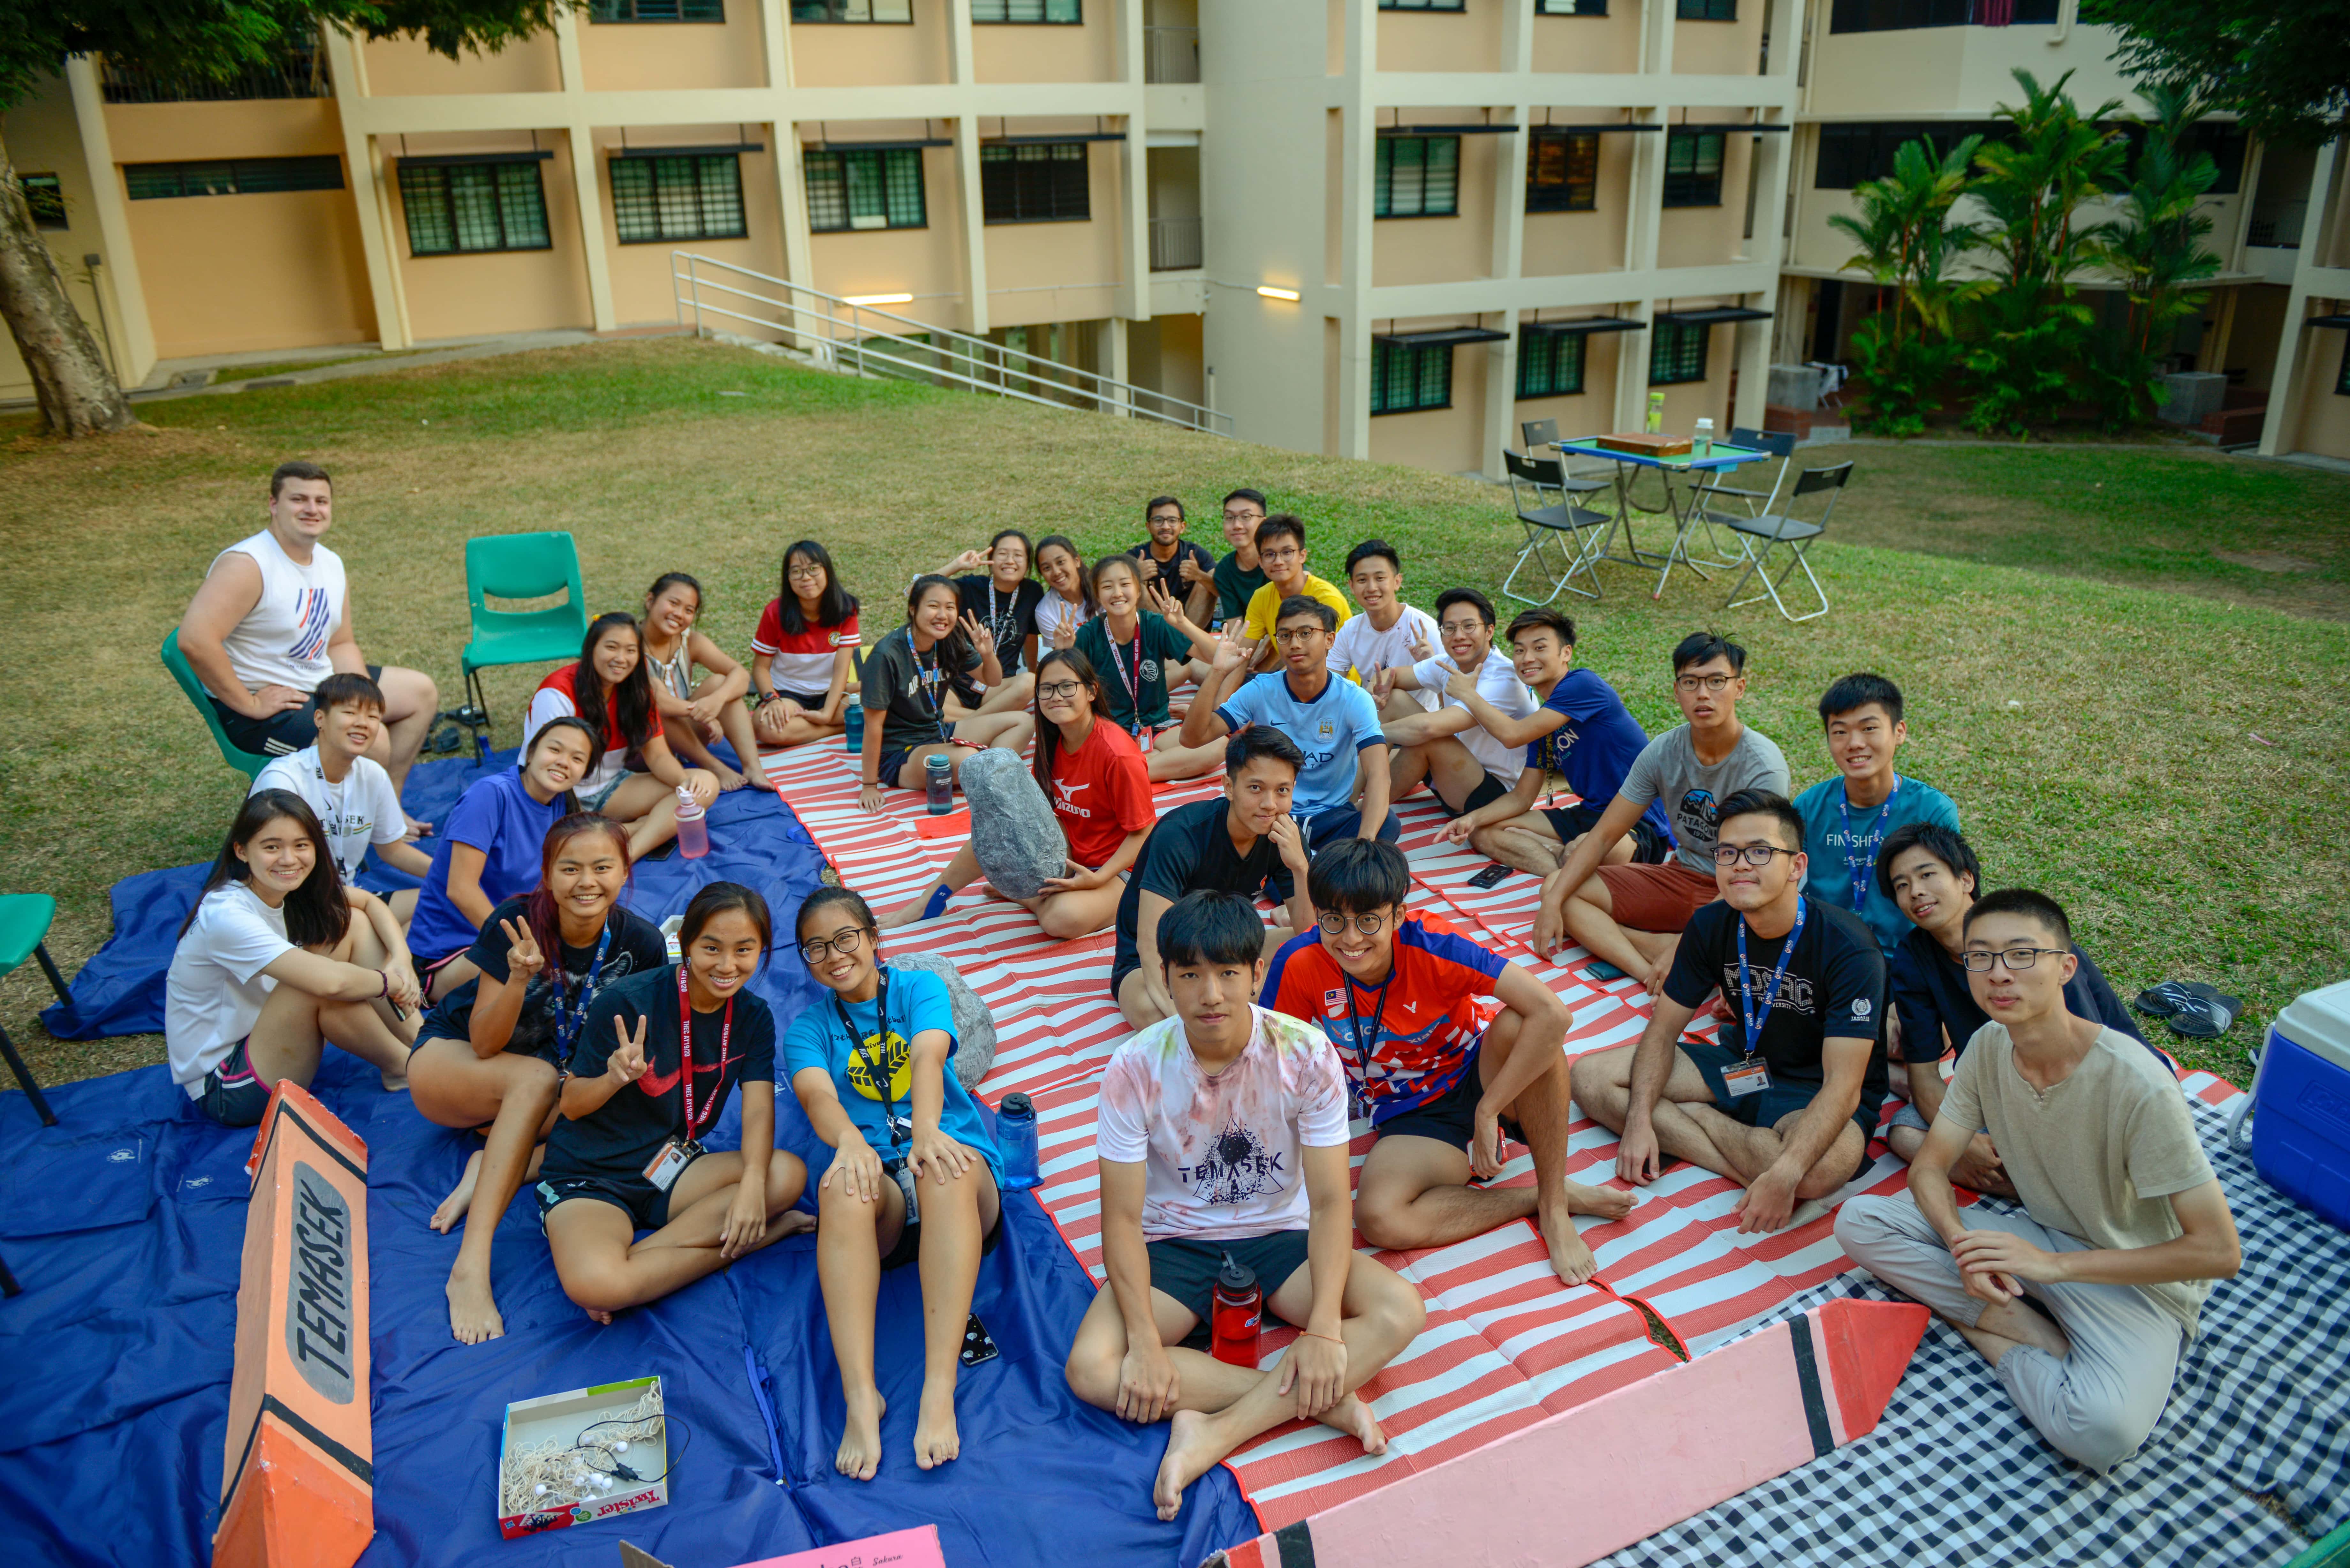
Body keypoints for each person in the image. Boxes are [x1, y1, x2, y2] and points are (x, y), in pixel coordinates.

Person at [1836, 889, 2241, 1474]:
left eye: (2022, 954)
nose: (1999, 973)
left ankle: (1993, 1332)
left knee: (2102, 1431)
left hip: (2133, 1278)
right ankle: (2019, 1320)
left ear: (2065, 966)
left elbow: (2218, 1251)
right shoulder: (1987, 1046)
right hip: (2038, 1239)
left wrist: (2053, 1269)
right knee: (1859, 1220)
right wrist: (1960, 1246)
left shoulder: (2137, 1083)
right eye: (1981, 957)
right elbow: (1929, 1164)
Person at [1066, 890, 1427, 1522]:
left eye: (1228, 972)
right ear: (1166, 980)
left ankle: (1215, 1431)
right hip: (1174, 1240)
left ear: (1257, 974)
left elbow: (1326, 1200)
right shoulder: (1134, 1067)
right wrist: (1147, 1343)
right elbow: (1120, 1218)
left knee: (1401, 1309)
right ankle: (1322, 1402)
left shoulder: (1304, 1052)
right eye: (1191, 975)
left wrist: (1320, 1327)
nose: (1210, 993)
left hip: (1278, 1234)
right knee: (1094, 1369)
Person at [1263, 841, 1634, 1284]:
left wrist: (1488, 1108)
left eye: (1367, 920)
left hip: (1480, 1072)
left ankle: (1555, 1209)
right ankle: (1535, 1198)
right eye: (1334, 920)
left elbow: (1555, 1014)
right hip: (1411, 1111)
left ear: (1398, 916)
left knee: (1527, 1025)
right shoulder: (1300, 962)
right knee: (1381, 1220)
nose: (1350, 938)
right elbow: (1270, 1064)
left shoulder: (1434, 944)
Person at [1570, 790, 1887, 1233]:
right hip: (1745, 1065)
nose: (1740, 864)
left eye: (1760, 852)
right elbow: (1662, 1033)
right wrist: (1639, 1120)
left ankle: (1701, 1121)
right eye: (1727, 852)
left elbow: (1844, 1086)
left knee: (1818, 1170)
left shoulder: (1850, 949)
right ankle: (1741, 1160)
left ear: (1797, 866)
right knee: (1590, 1077)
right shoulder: (1712, 924)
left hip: (1814, 1091)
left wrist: (1787, 1172)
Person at [407, 811, 668, 1344]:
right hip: (456, 1063)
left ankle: (492, 1164)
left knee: (609, 1117)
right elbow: (483, 1041)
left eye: (602, 866)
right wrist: (520, 976)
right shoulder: (517, 921)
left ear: (624, 872)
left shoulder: (640, 944)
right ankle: (471, 1266)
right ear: (548, 874)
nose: (587, 881)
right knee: (539, 1079)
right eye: (570, 867)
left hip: (544, 1083)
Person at [784, 888, 1006, 1478]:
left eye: (845, 938)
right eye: (816, 948)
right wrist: (851, 1142)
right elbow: (816, 1096)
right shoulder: (808, 1028)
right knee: (839, 1186)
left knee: (943, 1165)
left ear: (874, 937)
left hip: (951, 1167)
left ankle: (939, 1388)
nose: (833, 955)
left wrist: (929, 1129)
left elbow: (930, 1058)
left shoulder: (917, 988)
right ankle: (862, 1395)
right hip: (881, 1184)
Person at [537, 883, 813, 1323]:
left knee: (785, 1174)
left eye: (744, 950)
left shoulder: (754, 1015)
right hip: (591, 1177)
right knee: (597, 1285)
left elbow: (760, 1108)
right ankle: (749, 1242)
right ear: (685, 945)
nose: (727, 966)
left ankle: (640, 1261)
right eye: (711, 948)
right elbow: (570, 1106)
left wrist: (752, 1185)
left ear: (762, 950)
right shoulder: (628, 1002)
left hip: (672, 1164)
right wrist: (612, 1078)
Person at [1876, 824, 2156, 1194]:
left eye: (1927, 875)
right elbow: (1925, 1076)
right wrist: (1965, 1141)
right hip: (2003, 1099)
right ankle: (2054, 1190)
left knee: (2101, 1150)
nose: (1916, 892)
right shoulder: (1914, 956)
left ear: (1965, 879)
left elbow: (2089, 1064)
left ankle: (2061, 1186)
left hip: (2100, 1093)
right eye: (1901, 885)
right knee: (1905, 1133)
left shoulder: (2026, 936)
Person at [178, 462, 441, 814]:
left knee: (420, 692)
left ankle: (386, 810)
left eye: (322, 501)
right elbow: (195, 640)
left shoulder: (330, 563)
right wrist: (250, 704)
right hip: (266, 709)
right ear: (274, 504)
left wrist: (361, 697)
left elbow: (340, 643)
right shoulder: (248, 565)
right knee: (373, 737)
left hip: (317, 683)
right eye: (298, 499)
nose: (312, 509)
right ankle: (347, 830)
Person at [1532, 632, 1790, 988]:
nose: (1703, 694)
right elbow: (1605, 833)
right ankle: (1648, 968)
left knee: (1755, 948)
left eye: (1717, 682)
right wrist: (1554, 902)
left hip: (1739, 892)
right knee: (1556, 887)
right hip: (1683, 875)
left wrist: (1688, 940)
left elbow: (1756, 870)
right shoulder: (1663, 751)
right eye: (1691, 682)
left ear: (1739, 688)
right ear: (1676, 691)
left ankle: (1674, 949)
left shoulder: (1763, 767)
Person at [165, 790, 422, 1127]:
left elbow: (371, 905)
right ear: (241, 851)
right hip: (226, 1086)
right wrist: (391, 982)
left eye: (301, 845)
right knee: (317, 984)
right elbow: (330, 982)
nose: (289, 859)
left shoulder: (290, 889)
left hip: (265, 1034)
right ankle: (406, 1066)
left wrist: (401, 959)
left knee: (351, 924)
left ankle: (425, 1043)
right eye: (272, 847)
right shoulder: (227, 915)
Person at [883, 649, 1155, 939]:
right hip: (1073, 849)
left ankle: (1023, 896)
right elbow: (1035, 812)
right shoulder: (1053, 740)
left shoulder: (1118, 754)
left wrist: (1098, 878)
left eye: (1067, 686)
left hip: (1123, 870)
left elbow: (1143, 833)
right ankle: (929, 902)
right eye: (1046, 689)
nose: (1056, 696)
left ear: (1091, 692)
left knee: (1061, 919)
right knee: (997, 834)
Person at [1437, 609, 1672, 878]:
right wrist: (1471, 819)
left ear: (1566, 653)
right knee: (1482, 831)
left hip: (1637, 822)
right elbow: (1522, 797)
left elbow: (1512, 735)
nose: (1528, 659)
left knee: (1587, 849)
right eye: (1520, 651)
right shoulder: (1543, 723)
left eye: (1540, 648)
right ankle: (1560, 865)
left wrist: (1468, 694)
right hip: (1589, 815)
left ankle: (1568, 859)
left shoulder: (1583, 685)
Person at [1114, 728, 1315, 1030]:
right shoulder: (1181, 835)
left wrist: (1300, 867)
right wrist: (1188, 1027)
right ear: (1229, 787)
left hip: (1232, 945)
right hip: (1164, 958)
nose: (1270, 804)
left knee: (1319, 945)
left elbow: (1308, 931)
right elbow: (1149, 944)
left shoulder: (1284, 834)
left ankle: (1242, 1004)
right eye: (1256, 788)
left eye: (1282, 791)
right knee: (1155, 1017)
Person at [1181, 600, 1393, 872]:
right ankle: (1317, 870)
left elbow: (1378, 775)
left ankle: (1305, 869)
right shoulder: (1261, 690)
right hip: (1270, 814)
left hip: (1329, 818)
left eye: (1306, 633)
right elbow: (1192, 739)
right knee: (1208, 822)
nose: (1294, 644)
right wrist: (1217, 672)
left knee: (1386, 824)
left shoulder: (1354, 700)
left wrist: (1364, 846)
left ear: (1330, 640)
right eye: (1285, 635)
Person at [406, 717, 594, 1001]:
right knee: (547, 991)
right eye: (555, 750)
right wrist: (521, 945)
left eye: (577, 758)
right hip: (449, 954)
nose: (564, 762)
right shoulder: (490, 796)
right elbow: (461, 890)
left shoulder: (561, 806)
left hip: (511, 938)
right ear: (530, 753)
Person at [1792, 673, 1959, 958]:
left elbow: (1953, 900)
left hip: (1907, 959)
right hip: (1826, 955)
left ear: (1899, 732)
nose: (1855, 743)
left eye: (1869, 728)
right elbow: (1785, 882)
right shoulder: (1809, 806)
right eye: (1840, 732)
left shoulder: (1932, 810)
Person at [526, 613, 718, 860]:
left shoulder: (637, 693)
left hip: (610, 789)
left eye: (630, 651)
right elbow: (544, 769)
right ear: (591, 648)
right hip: (557, 795)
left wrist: (683, 784)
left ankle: (629, 852)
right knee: (557, 844)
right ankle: (627, 830)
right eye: (611, 647)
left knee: (704, 785)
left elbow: (658, 757)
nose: (621, 659)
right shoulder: (557, 694)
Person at [252, 672, 433, 924]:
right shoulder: (284, 781)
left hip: (345, 900)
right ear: (320, 719)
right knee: (378, 932)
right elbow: (277, 868)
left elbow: (393, 851)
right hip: (294, 907)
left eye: (372, 717)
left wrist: (450, 876)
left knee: (441, 900)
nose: (363, 723)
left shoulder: (373, 775)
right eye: (350, 713)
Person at [859, 576, 1035, 815]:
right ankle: (993, 771)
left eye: (950, 607)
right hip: (902, 752)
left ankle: (989, 773)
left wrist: (987, 654)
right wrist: (869, 786)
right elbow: (872, 726)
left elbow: (992, 680)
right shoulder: (887, 656)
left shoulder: (948, 640)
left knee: (1023, 721)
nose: (942, 615)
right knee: (968, 759)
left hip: (939, 731)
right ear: (913, 609)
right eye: (933, 606)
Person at [1376, 589, 1540, 819]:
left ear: (1489, 631)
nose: (1459, 636)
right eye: (1450, 628)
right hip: (1453, 773)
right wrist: (1377, 690)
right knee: (1392, 700)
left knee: (1427, 737)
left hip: (1495, 796)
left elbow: (1428, 728)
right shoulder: (1447, 663)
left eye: (1469, 626)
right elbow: (1388, 676)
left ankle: (1361, 814)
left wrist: (1368, 733)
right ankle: (1346, 798)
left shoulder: (1502, 678)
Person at [1074, 554, 1223, 783]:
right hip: (1110, 732)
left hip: (1157, 726)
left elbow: (1217, 656)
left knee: (1219, 745)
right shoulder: (1088, 635)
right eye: (1107, 586)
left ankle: (1129, 773)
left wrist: (1183, 623)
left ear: (1139, 589)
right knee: (1097, 754)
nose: (1117, 593)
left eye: (1125, 584)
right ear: (1097, 594)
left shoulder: (1155, 624)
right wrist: (1063, 653)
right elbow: (1068, 689)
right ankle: (1142, 765)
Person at [639, 572, 774, 794]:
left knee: (721, 683)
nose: (679, 614)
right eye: (673, 603)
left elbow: (739, 674)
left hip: (685, 739)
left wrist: (715, 701)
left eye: (689, 610)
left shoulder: (690, 641)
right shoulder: (630, 644)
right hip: (644, 746)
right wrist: (700, 712)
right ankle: (714, 767)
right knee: (652, 706)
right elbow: (657, 701)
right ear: (650, 600)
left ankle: (753, 767)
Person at [751, 540, 861, 751]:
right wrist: (772, 700)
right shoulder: (775, 613)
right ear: (788, 578)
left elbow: (842, 670)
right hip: (789, 695)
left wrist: (826, 714)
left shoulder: (846, 610)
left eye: (813, 569)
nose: (806, 578)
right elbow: (760, 668)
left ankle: (815, 728)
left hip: (834, 694)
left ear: (827, 570)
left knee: (887, 699)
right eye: (797, 572)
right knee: (767, 727)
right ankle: (840, 728)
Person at [934, 531, 1044, 714]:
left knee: (1029, 682)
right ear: (991, 560)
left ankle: (969, 720)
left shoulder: (1032, 592)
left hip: (998, 687)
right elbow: (918, 591)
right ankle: (984, 719)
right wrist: (956, 566)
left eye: (1018, 555)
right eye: (1002, 554)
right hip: (956, 681)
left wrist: (1033, 671)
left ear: (1028, 564)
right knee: (931, 705)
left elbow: (1031, 636)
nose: (1010, 561)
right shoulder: (970, 587)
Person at [1327, 540, 1440, 712]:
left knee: (1396, 697)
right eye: (1362, 580)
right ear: (1351, 586)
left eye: (1380, 578)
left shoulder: (1425, 629)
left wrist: (1430, 665)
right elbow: (1330, 687)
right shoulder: (1351, 631)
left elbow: (1451, 697)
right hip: (1374, 719)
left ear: (1397, 582)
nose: (1372, 588)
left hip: (1421, 725)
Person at [1236, 516, 1352, 672]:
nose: (1278, 561)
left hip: (1333, 686)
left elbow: (1319, 666)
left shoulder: (1326, 599)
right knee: (1204, 669)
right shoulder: (1262, 597)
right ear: (1261, 561)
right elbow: (1242, 656)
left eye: (1287, 552)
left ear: (1303, 555)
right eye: (1270, 555)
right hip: (1290, 677)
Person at [1130, 495, 1217, 625]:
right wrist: (1136, 577)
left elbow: (1224, 590)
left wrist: (1199, 576)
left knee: (1207, 582)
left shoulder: (1196, 554)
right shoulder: (1135, 557)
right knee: (1134, 586)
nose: (1166, 526)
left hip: (1193, 630)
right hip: (1154, 632)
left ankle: (1185, 640)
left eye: (1172, 520)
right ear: (1148, 526)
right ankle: (1169, 635)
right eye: (1158, 520)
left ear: (1182, 527)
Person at [1210, 489, 1270, 628]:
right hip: (1252, 641)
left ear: (1263, 523)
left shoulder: (1280, 560)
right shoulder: (1224, 571)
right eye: (1230, 518)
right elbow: (1235, 627)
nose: (1237, 526)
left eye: (1246, 516)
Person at [1034, 533, 1095, 652]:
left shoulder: (1103, 588)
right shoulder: (1045, 612)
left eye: (1061, 562)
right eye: (1047, 568)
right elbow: (1063, 660)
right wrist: (1065, 647)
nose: (1056, 572)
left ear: (1077, 561)